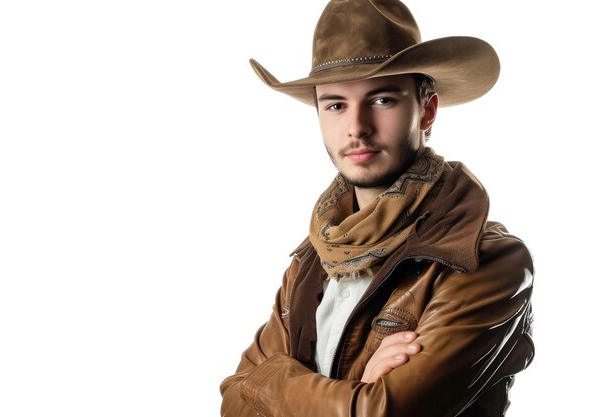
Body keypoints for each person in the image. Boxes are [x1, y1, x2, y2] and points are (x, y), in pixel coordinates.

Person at [220, 0, 534, 415]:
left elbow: (389, 412)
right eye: (335, 105)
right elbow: (232, 401)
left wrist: (275, 383)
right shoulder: (314, 257)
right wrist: (355, 389)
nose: (357, 126)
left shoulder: (483, 259)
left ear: (428, 110)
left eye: (383, 100)